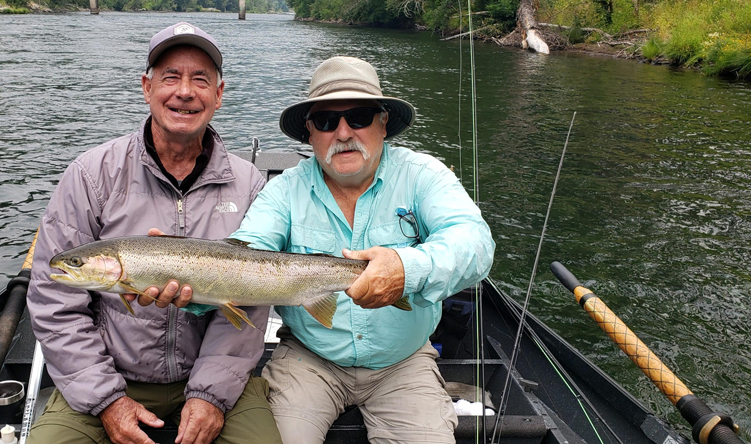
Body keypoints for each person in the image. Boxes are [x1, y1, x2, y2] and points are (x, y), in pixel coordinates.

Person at [26, 22, 282, 444]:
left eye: (200, 79)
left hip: (221, 377)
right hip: (109, 375)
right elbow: (54, 301)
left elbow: (251, 306)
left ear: (218, 95)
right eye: (170, 77)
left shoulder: (249, 183)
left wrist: (211, 396)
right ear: (147, 88)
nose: (185, 91)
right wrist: (107, 399)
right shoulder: (91, 175)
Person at [230, 56, 496, 444]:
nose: (342, 132)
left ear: (383, 123)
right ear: (309, 132)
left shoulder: (424, 175)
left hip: (404, 363)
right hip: (307, 360)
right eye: (325, 121)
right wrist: (186, 287)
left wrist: (408, 268)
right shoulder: (283, 191)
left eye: (358, 116)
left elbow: (474, 242)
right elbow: (245, 258)